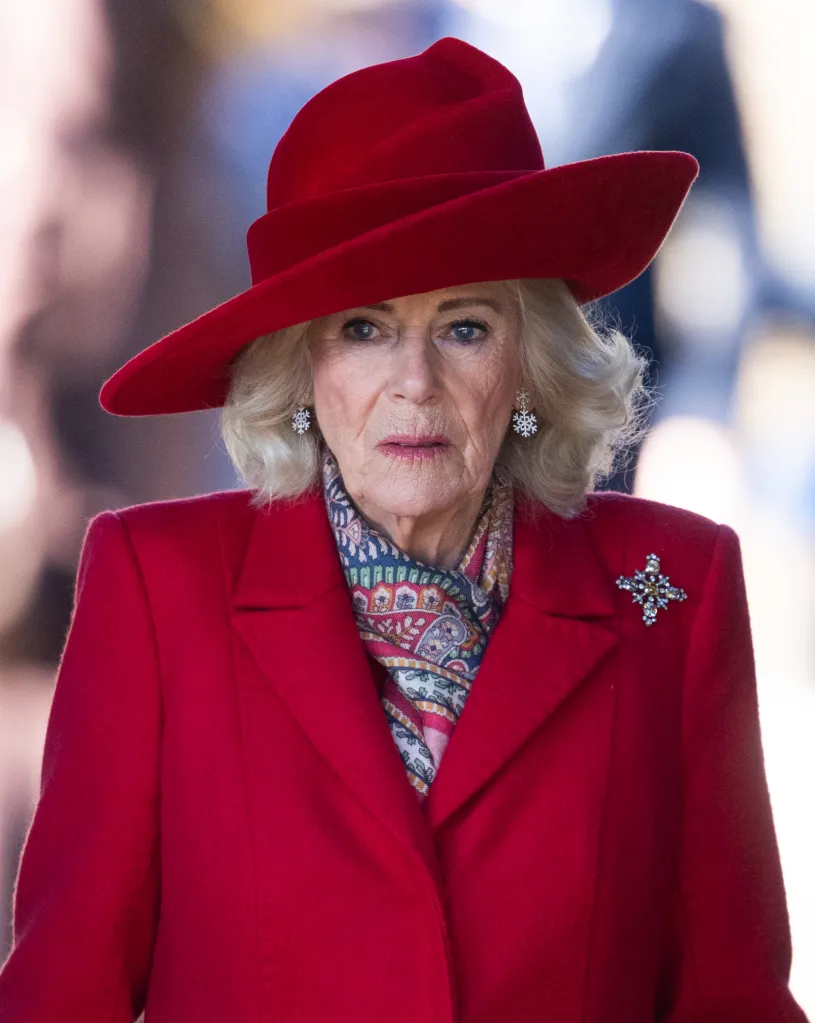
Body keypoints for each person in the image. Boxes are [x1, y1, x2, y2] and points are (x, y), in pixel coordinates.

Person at [0, 36, 807, 1023]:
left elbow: (732, 997)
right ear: (299, 367)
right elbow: (62, 993)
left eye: (465, 327)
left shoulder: (672, 590)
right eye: (363, 328)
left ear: (528, 364)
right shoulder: (155, 587)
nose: (413, 384)